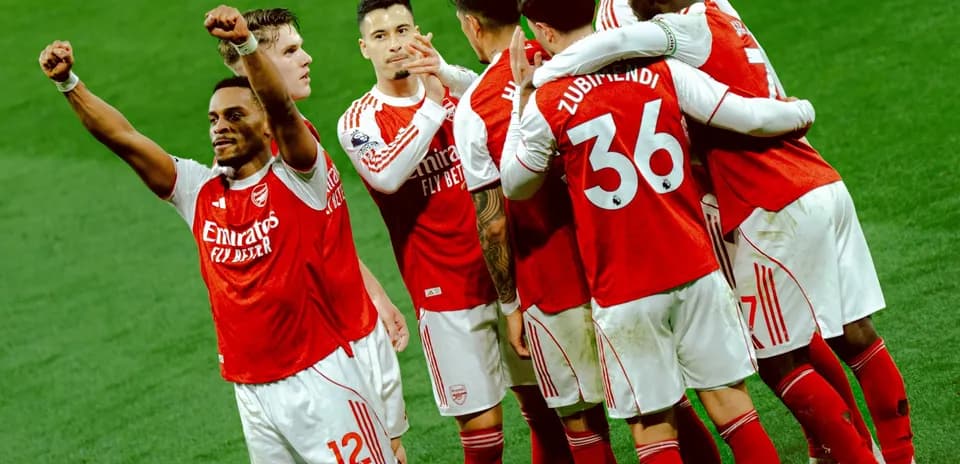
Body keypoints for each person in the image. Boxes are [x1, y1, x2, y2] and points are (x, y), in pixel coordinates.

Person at [536, 1, 914, 462]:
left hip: (763, 199)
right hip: (816, 177)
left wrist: (544, 76)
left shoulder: (673, 26)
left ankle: (856, 453)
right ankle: (886, 453)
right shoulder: (722, 8)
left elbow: (619, 47)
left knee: (778, 358)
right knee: (850, 335)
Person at [38, 6, 396, 464]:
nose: (220, 127)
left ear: (264, 124)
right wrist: (69, 85)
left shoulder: (298, 177)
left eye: (233, 116)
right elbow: (124, 138)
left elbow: (284, 108)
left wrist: (248, 45)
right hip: (251, 390)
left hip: (321, 378)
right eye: (213, 120)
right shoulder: (197, 189)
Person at [500, 0, 820, 461]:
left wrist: (521, 95)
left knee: (653, 428)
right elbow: (750, 117)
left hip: (625, 290)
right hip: (696, 268)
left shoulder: (548, 102)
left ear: (543, 31)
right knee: (733, 406)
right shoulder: (663, 70)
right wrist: (802, 112)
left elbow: (516, 183)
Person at [337, 1, 570, 463]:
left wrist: (444, 77)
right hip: (445, 294)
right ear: (364, 49)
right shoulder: (359, 120)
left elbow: (496, 91)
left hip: (509, 273)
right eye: (380, 36)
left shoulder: (455, 85)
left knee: (546, 410)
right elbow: (386, 175)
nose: (395, 44)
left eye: (402, 29)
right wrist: (433, 106)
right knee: (484, 437)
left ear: (419, 33)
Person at [215, 9, 410, 461]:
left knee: (393, 450)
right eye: (289, 50)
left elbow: (319, 232)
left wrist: (373, 292)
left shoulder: (301, 132)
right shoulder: (260, 157)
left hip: (357, 325)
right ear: (254, 64)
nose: (307, 57)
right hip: (332, 352)